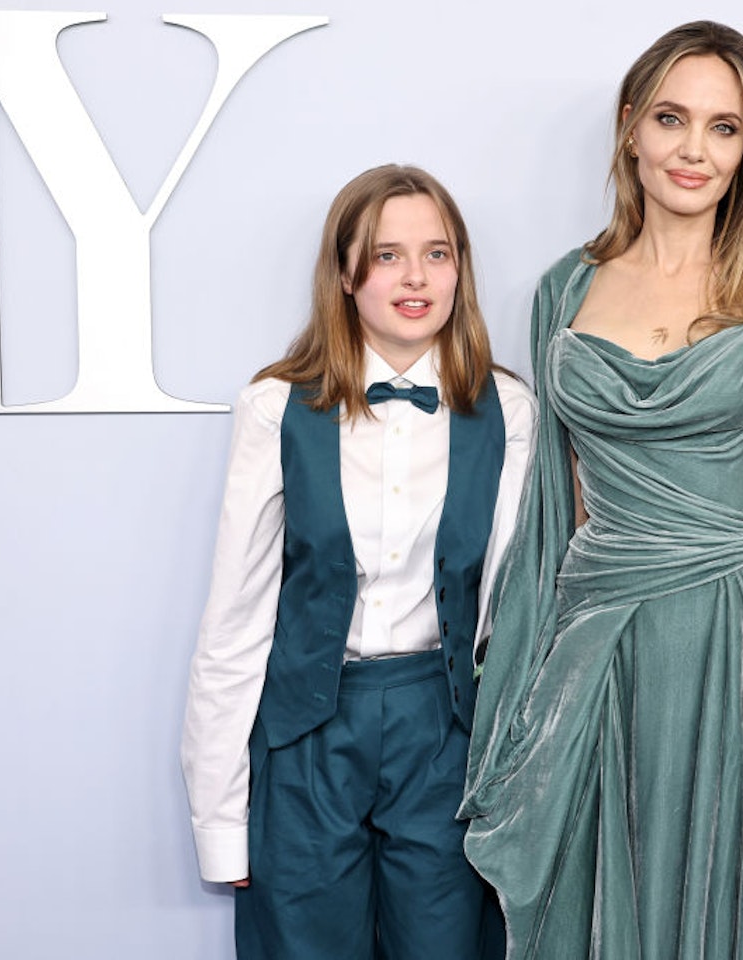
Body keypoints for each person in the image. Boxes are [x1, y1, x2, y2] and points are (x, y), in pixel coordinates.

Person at [461, 22, 743, 958]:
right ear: (630, 129)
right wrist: (526, 691)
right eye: (671, 118)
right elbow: (553, 510)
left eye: (724, 127)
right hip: (607, 649)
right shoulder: (562, 292)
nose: (694, 150)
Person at [181, 164, 534, 959]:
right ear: (345, 274)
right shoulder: (276, 406)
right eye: (386, 255)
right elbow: (234, 624)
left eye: (437, 254)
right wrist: (220, 820)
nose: (415, 277)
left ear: (460, 269)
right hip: (307, 729)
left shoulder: (509, 410)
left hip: (445, 735)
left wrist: (518, 792)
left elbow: (510, 621)